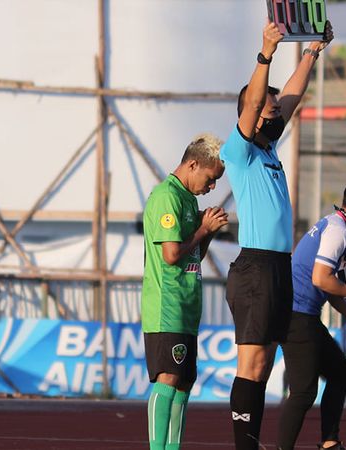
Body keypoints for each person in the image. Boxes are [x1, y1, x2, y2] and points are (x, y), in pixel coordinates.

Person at [220, 20, 333, 450]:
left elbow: (291, 96)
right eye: (268, 109)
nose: (276, 111)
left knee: (264, 362)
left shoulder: (267, 148)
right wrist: (266, 51)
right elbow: (255, 105)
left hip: (278, 267)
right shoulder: (241, 149)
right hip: (255, 267)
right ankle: (244, 446)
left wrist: (311, 52)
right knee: (250, 361)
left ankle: (251, 440)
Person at [277, 178, 346, 450]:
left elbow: (332, 284)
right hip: (296, 315)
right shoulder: (339, 232)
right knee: (303, 393)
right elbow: (321, 279)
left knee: (340, 373)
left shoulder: (334, 223)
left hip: (302, 315)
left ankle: (330, 442)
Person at [141, 134, 228, 450]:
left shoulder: (189, 199)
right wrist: (203, 229)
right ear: (193, 164)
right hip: (168, 305)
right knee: (168, 379)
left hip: (187, 305)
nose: (212, 186)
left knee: (184, 382)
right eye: (210, 178)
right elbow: (171, 255)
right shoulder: (168, 197)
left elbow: (192, 254)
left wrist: (207, 233)